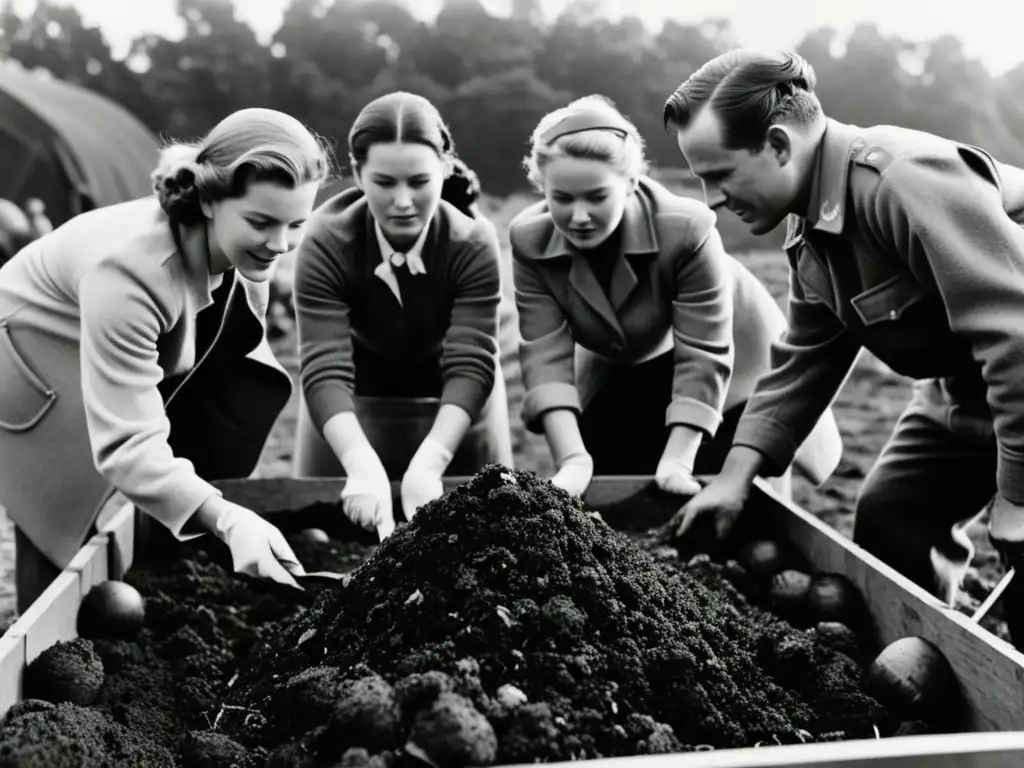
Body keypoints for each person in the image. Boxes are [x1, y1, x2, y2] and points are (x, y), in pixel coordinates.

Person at [662, 48, 1024, 628]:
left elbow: (1016, 336)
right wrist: (732, 480)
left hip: (1018, 368)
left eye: (720, 174)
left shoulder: (902, 181)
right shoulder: (810, 232)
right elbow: (804, 358)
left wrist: (1019, 496)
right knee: (892, 517)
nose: (712, 200)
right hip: (968, 388)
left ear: (779, 145)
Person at [0, 107, 332, 612]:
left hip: (107, 342)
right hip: (33, 360)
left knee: (154, 489)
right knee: (59, 526)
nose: (280, 245)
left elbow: (224, 357)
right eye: (261, 222)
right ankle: (41, 655)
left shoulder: (246, 249)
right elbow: (128, 444)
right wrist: (226, 519)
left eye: (295, 224)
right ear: (208, 200)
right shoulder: (129, 274)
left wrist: (212, 503)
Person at [509, 94, 842, 501]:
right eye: (562, 199)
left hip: (736, 353)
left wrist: (679, 458)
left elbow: (703, 353)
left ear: (631, 184)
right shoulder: (529, 240)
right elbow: (545, 357)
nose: (579, 216)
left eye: (596, 197)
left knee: (725, 490)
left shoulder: (688, 229)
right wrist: (573, 459)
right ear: (542, 187)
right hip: (625, 354)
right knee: (611, 481)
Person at [292, 91, 512, 538]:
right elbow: (323, 363)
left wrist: (431, 464)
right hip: (351, 398)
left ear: (445, 169)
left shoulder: (473, 242)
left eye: (418, 182)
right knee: (325, 538)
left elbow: (471, 359)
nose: (403, 201)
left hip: (457, 401)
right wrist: (359, 463)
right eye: (384, 182)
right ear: (357, 174)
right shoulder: (326, 239)